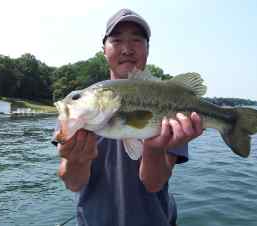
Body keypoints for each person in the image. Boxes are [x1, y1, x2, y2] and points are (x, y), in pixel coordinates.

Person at [55, 8, 203, 226]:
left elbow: (154, 184)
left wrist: (153, 149)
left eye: (136, 40)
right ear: (104, 50)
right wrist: (75, 161)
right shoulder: (76, 112)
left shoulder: (173, 106)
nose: (126, 49)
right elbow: (73, 183)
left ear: (147, 49)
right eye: (116, 40)